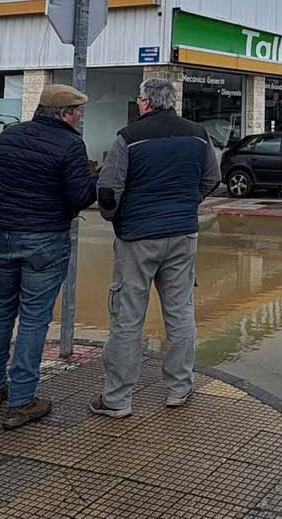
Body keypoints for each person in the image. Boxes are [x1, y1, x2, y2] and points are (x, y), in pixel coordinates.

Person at [90, 78, 219, 418]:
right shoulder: (198, 134)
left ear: (146, 102)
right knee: (179, 312)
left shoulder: (128, 137)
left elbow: (108, 189)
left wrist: (116, 216)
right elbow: (212, 178)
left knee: (128, 315)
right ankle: (180, 388)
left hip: (137, 237)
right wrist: (187, 202)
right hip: (182, 234)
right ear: (172, 101)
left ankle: (117, 399)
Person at [0, 84, 95, 430]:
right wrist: (95, 177)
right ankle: (22, 400)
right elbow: (78, 198)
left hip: (4, 233)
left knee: (1, 310)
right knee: (33, 318)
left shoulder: (7, 138)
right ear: (63, 113)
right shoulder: (70, 144)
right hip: (45, 238)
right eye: (76, 112)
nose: (78, 118)